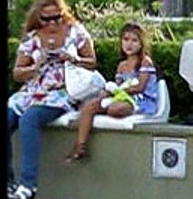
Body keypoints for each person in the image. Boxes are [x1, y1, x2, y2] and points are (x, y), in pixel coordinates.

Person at [7, 0, 98, 199]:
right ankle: (8, 182)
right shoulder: (32, 38)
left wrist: (73, 58)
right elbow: (18, 73)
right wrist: (36, 66)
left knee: (29, 119)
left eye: (57, 17)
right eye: (47, 19)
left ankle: (28, 185)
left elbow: (92, 62)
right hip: (33, 90)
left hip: (61, 92)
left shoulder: (75, 32)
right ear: (38, 16)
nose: (52, 23)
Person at [64, 22, 160, 163]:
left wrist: (118, 91)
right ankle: (80, 145)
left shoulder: (145, 62)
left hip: (138, 100)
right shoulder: (121, 65)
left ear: (141, 43)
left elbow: (140, 87)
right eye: (126, 39)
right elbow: (117, 84)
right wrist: (107, 91)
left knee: (115, 109)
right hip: (120, 97)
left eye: (134, 40)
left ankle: (109, 109)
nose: (129, 44)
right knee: (90, 106)